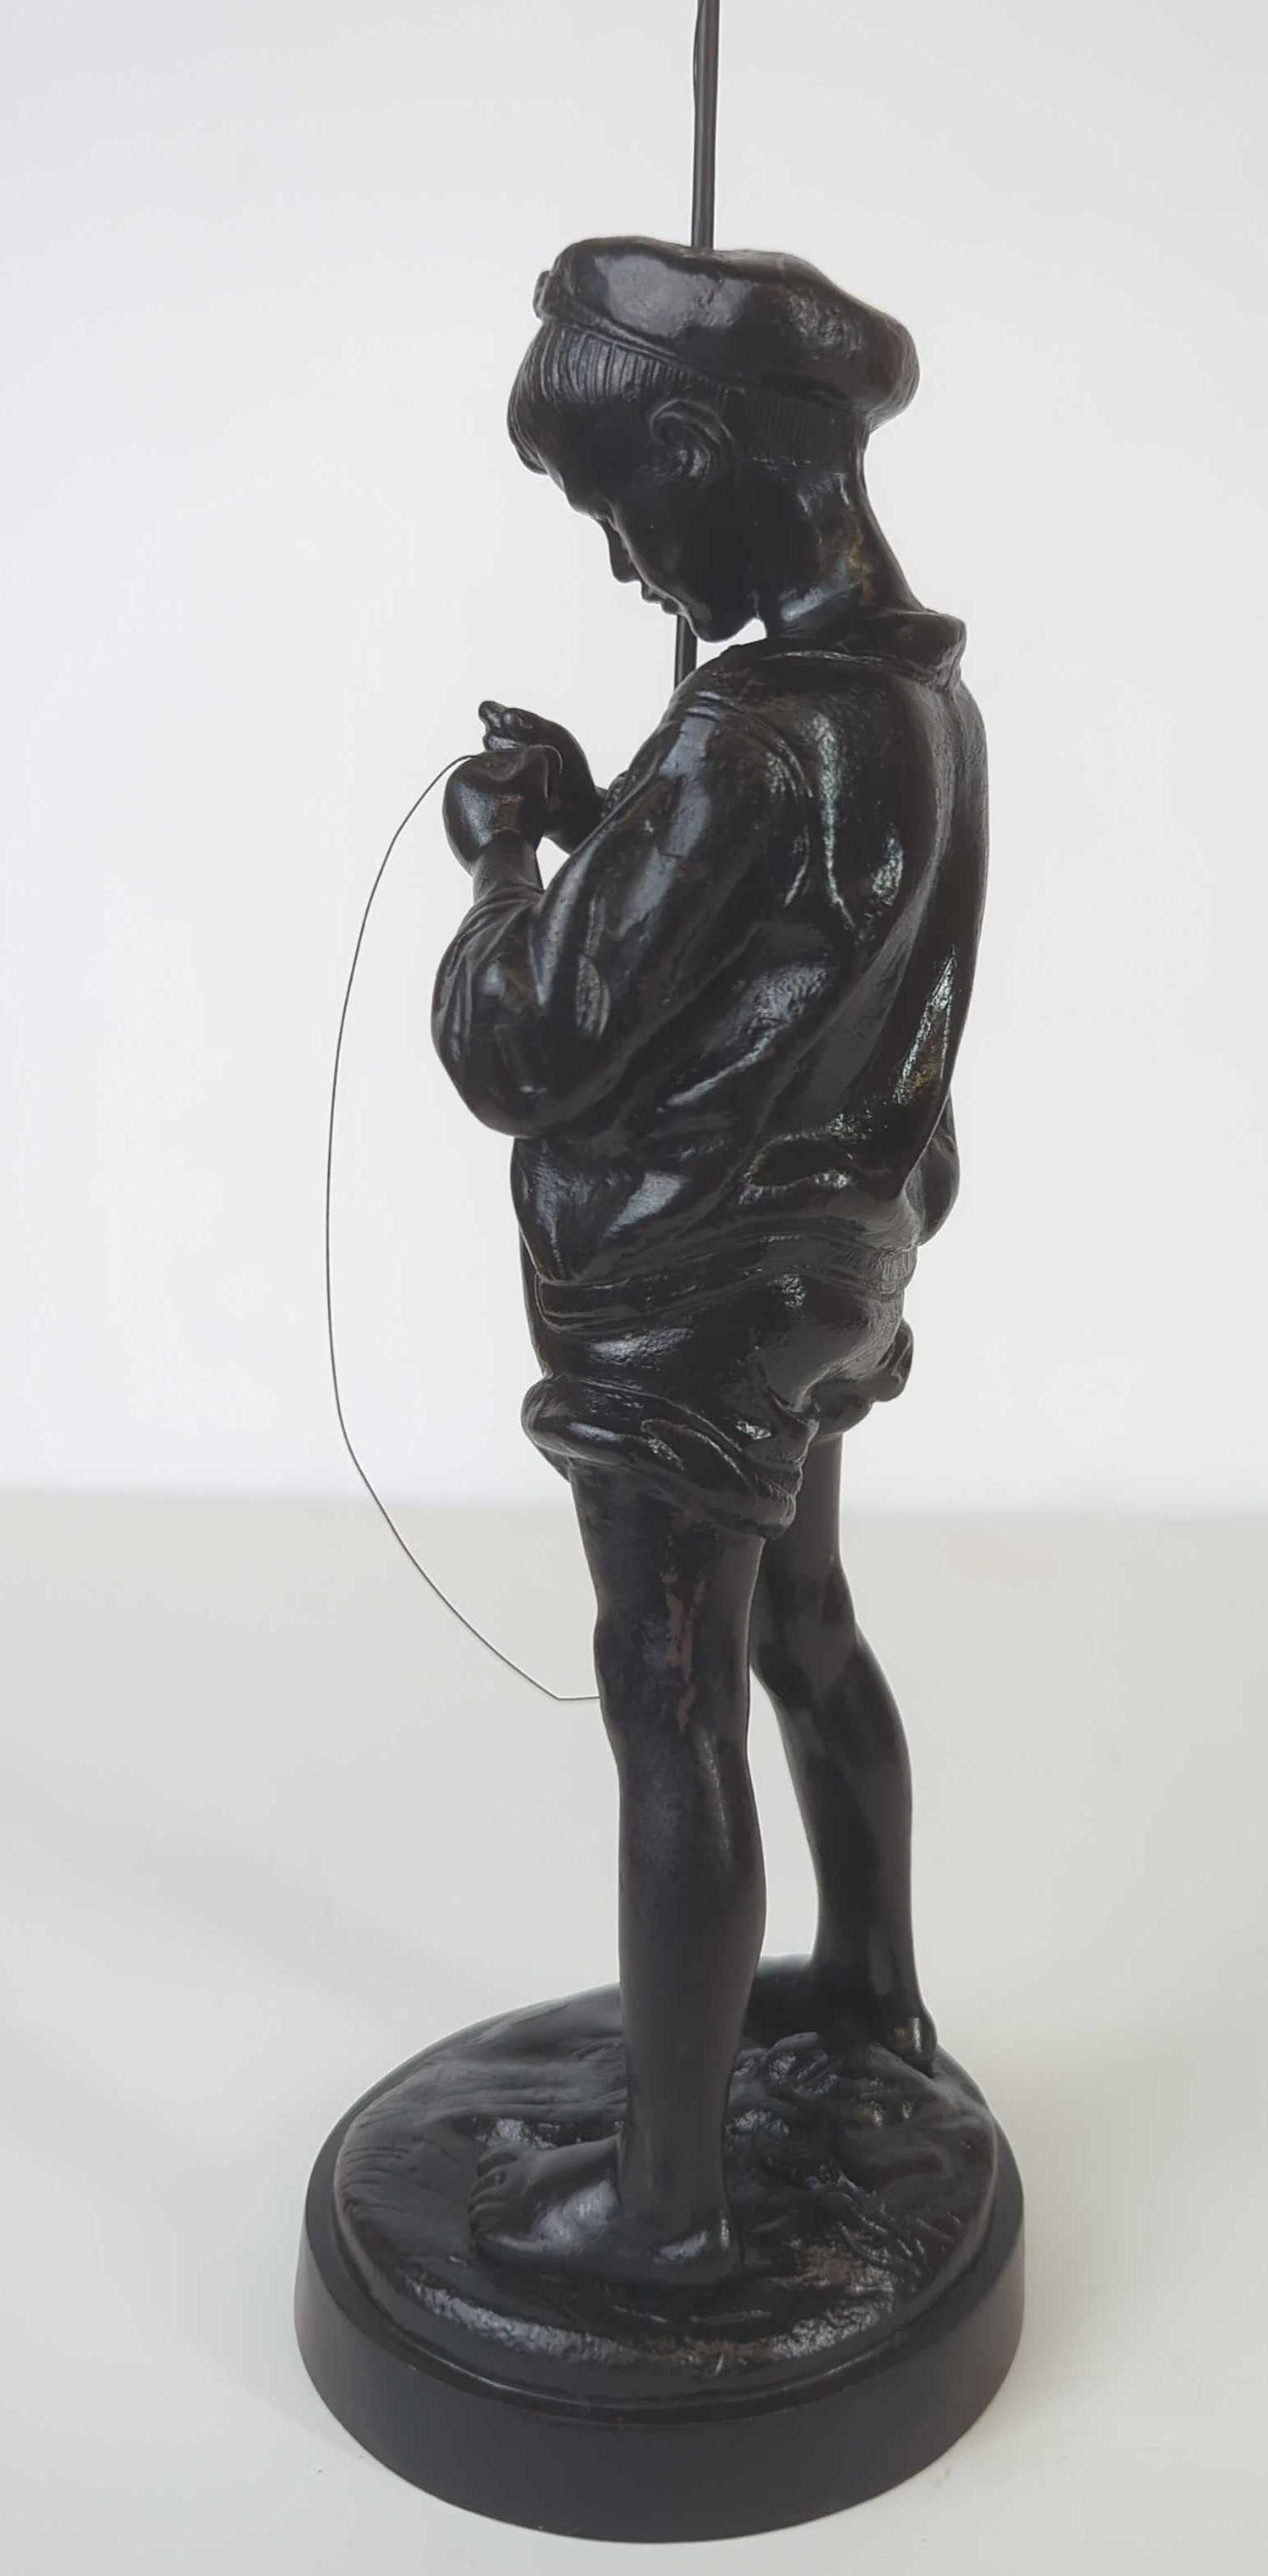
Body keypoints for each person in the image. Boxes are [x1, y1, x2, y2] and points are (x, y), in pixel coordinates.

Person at [432, 236, 988, 2287]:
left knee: (668, 1702)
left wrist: (506, 855)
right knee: (805, 1625)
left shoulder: (751, 736)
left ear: (707, 449)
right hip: (829, 1281)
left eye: (618, 506)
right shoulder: (915, 696)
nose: (618, 561)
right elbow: (776, 951)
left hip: (687, 1313)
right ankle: (870, 1992)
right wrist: (618, 818)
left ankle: (666, 2212)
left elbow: (529, 1042)